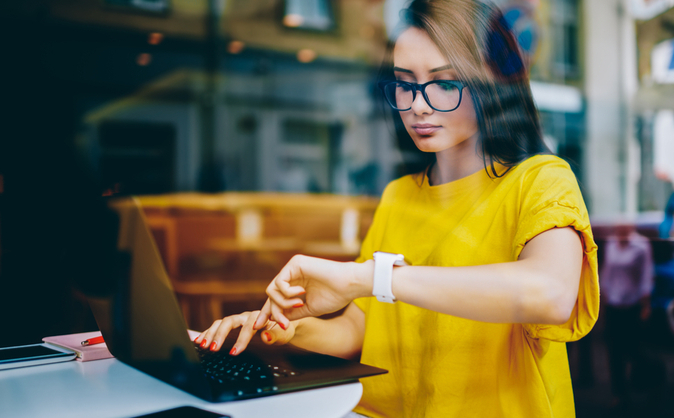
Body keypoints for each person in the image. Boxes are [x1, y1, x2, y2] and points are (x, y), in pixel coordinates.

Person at [195, 1, 599, 416]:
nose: (418, 105)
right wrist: (290, 330)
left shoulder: (541, 179)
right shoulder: (399, 195)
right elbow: (363, 329)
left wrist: (368, 277)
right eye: (405, 84)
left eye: (445, 82)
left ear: (491, 86)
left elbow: (551, 294)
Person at [600, 223, 654, 408]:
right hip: (613, 303)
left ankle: (647, 381)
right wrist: (603, 294)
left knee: (633, 348)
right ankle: (619, 393)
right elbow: (606, 271)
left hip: (632, 303)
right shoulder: (610, 243)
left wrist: (646, 304)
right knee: (614, 351)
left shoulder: (641, 245)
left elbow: (646, 274)